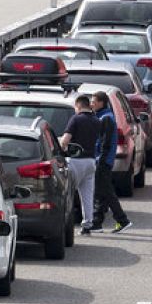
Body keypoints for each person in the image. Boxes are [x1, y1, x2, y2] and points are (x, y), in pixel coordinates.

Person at [89, 91, 132, 233]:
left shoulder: (106, 118)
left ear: (101, 102)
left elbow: (105, 144)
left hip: (103, 161)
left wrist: (100, 160)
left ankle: (122, 220)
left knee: (106, 192)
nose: (91, 104)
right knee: (100, 192)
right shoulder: (101, 116)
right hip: (102, 160)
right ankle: (97, 222)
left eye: (94, 101)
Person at [59, 95, 101, 234]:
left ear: (78, 106)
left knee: (68, 194)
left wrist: (62, 148)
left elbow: (65, 141)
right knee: (87, 195)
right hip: (90, 161)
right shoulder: (96, 120)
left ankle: (64, 224)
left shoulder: (76, 119)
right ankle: (87, 225)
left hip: (76, 161)